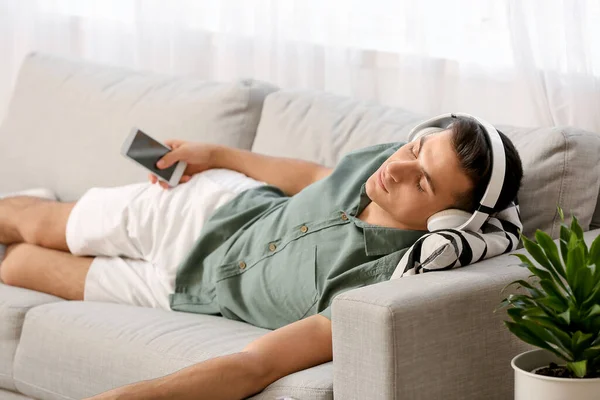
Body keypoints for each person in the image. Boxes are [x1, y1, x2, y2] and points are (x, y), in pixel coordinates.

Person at [0, 117, 523, 400]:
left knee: (16, 267)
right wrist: (220, 155)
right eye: (414, 151)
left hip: (183, 292)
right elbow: (315, 176)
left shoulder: (375, 287)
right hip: (198, 211)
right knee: (33, 224)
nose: (399, 169)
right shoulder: (381, 163)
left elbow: (256, 364)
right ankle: (38, 204)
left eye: (423, 182)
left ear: (446, 224)